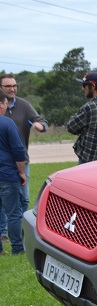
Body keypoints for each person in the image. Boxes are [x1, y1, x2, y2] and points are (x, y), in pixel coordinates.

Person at [0, 74, 48, 243]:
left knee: (23, 198)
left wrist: (40, 126)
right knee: (4, 201)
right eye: (7, 86)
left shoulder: (24, 105)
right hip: (5, 162)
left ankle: (20, 230)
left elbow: (41, 121)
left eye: (14, 85)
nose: (12, 89)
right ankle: (4, 233)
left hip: (22, 160)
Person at [67, 71, 97, 164]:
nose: (82, 88)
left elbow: (70, 127)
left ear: (93, 86)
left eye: (84, 85)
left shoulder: (89, 107)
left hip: (88, 161)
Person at [0, 90, 28, 255]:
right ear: (1, 104)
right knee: (13, 213)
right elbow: (18, 150)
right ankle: (17, 248)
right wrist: (22, 172)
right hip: (7, 174)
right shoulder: (7, 123)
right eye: (5, 104)